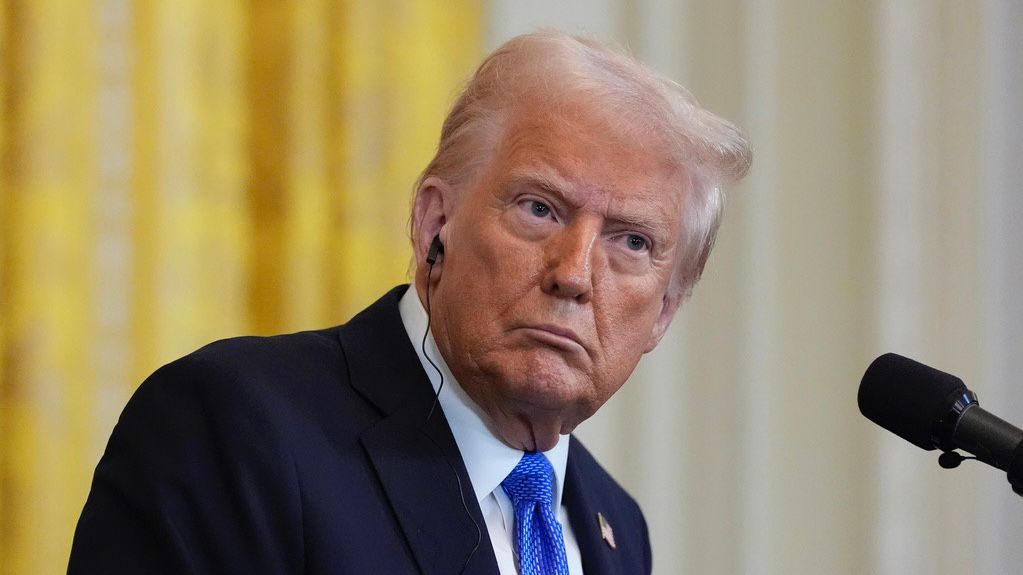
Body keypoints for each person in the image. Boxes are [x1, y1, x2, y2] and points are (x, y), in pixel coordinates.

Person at [69, 30, 750, 574]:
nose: (573, 273)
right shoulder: (236, 427)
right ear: (434, 224)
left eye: (631, 242)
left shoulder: (614, 524)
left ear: (663, 311)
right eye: (539, 208)